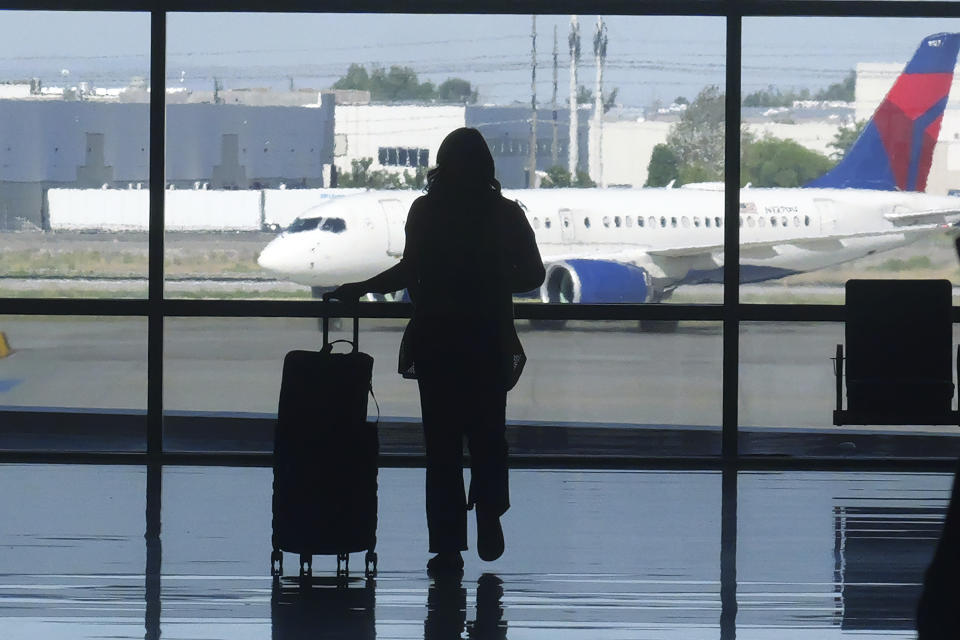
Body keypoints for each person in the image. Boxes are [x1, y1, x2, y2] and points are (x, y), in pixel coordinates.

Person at [330, 127, 545, 574]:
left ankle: (447, 547)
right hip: (487, 341)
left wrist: (360, 289)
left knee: (442, 449)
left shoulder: (426, 211)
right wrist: (491, 280)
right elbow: (534, 276)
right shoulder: (505, 214)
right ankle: (489, 514)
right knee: (489, 438)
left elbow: (409, 269)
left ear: (441, 166)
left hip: (438, 342)